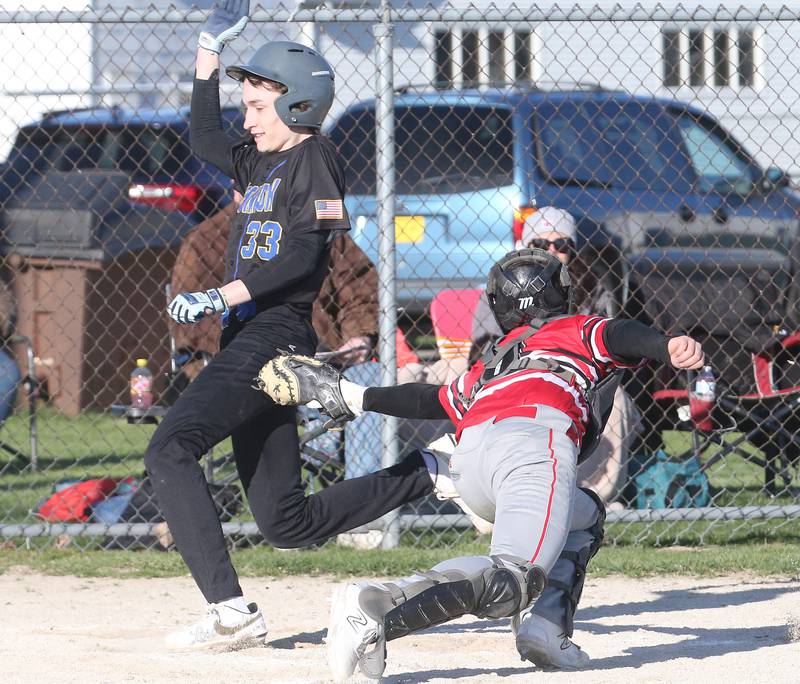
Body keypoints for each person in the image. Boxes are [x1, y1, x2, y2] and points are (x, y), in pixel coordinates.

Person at [261, 248, 704, 680]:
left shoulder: (496, 360)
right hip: (535, 444)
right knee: (510, 581)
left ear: (499, 306)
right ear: (562, 293)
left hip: (471, 455)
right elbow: (619, 334)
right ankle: (377, 608)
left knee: (583, 514)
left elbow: (432, 399)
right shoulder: (577, 328)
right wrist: (665, 345)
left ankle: (545, 630)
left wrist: (358, 396)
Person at [145, 1, 439, 650]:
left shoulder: (316, 161)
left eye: (256, 108)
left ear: (298, 107)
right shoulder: (258, 161)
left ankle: (229, 612)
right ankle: (430, 471)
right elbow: (200, 137)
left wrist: (223, 293)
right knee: (287, 522)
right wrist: (206, 51)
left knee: (170, 449)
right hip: (249, 337)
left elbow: (306, 255)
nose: (245, 120)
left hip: (272, 336)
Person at [472, 207, 638, 506]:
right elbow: (482, 348)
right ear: (525, 246)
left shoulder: (588, 286)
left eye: (561, 244)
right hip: (506, 374)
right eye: (541, 244)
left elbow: (604, 346)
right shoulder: (502, 282)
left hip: (570, 379)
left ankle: (587, 500)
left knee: (619, 402)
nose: (552, 250)